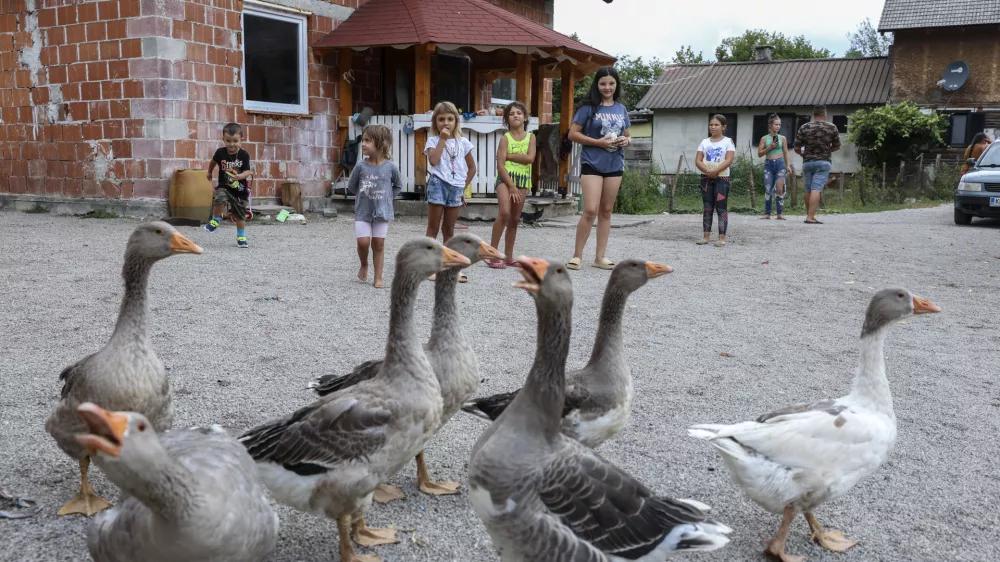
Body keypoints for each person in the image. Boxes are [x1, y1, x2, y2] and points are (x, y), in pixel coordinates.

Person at [567, 66, 631, 270]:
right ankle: (577, 256)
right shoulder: (588, 108)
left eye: (611, 83)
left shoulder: (621, 109)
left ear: (616, 85)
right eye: (603, 83)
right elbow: (572, 134)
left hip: (615, 164)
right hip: (592, 162)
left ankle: (600, 257)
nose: (607, 87)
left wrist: (626, 141)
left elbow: (628, 134)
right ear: (597, 84)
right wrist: (597, 142)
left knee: (606, 210)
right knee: (590, 210)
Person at [425, 101, 476, 282]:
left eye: (449, 119)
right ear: (435, 123)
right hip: (438, 184)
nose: (446, 123)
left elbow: (472, 168)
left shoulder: (464, 142)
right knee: (433, 227)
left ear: (456, 121)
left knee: (449, 228)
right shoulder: (433, 141)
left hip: (455, 188)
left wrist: (462, 186)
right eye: (441, 119)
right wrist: (442, 140)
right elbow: (433, 161)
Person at [348, 124, 402, 289]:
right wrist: (363, 195)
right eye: (363, 140)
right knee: (363, 242)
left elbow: (398, 186)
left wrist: (386, 199)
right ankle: (364, 263)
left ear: (381, 144)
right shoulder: (360, 166)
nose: (363, 144)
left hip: (382, 212)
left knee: (378, 244)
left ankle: (378, 277)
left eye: (368, 141)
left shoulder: (391, 167)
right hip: (363, 211)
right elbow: (351, 185)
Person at [486, 101, 536, 269]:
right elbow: (500, 165)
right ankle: (492, 255)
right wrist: (512, 186)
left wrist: (510, 156)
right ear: (507, 119)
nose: (516, 115)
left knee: (515, 219)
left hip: (522, 181)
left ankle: (508, 257)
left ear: (525, 117)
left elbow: (530, 158)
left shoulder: (531, 137)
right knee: (505, 213)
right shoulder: (504, 138)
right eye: (512, 113)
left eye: (519, 113)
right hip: (505, 180)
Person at [204, 122, 252, 247]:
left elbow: (248, 171)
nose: (232, 144)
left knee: (240, 214)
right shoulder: (220, 153)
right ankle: (216, 219)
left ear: (241, 139)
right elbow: (213, 162)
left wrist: (240, 176)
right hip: (224, 186)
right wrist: (209, 172)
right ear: (223, 140)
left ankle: (241, 236)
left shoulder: (244, 155)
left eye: (235, 141)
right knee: (219, 198)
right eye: (228, 141)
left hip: (240, 190)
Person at [794, 105, 841, 224]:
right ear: (824, 114)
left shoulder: (804, 127)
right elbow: (837, 146)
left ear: (814, 114)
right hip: (823, 162)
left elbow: (796, 147)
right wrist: (826, 150)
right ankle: (811, 217)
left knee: (808, 189)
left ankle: (809, 215)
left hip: (808, 162)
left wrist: (802, 153)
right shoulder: (832, 127)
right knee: (816, 188)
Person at [695, 115, 735, 247]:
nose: (713, 127)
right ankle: (706, 237)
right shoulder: (704, 142)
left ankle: (721, 238)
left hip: (721, 178)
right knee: (707, 207)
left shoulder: (728, 142)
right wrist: (708, 171)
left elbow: (729, 159)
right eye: (711, 124)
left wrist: (715, 171)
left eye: (716, 125)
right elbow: (698, 160)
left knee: (721, 208)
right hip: (705, 178)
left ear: (723, 127)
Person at [757, 114, 792, 220]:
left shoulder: (783, 138)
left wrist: (788, 165)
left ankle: (779, 213)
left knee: (779, 189)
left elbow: (786, 152)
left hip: (780, 164)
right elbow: (759, 154)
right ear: (770, 125)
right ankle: (767, 213)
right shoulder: (764, 139)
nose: (778, 126)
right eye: (776, 124)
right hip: (769, 165)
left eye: (779, 125)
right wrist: (770, 146)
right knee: (768, 189)